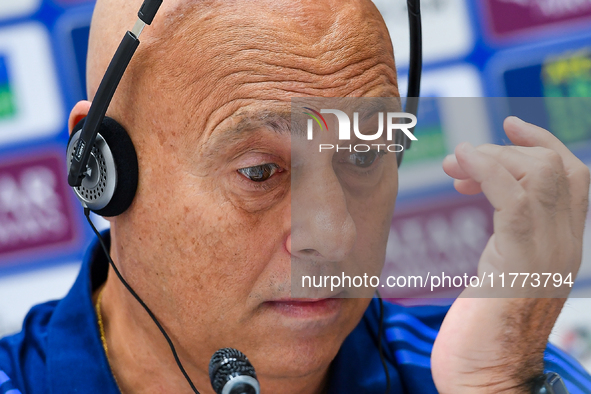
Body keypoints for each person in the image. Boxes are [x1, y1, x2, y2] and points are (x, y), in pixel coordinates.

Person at [1, 0, 591, 393]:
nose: (332, 235)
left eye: (363, 155)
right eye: (261, 172)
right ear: (100, 169)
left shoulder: (493, 370)